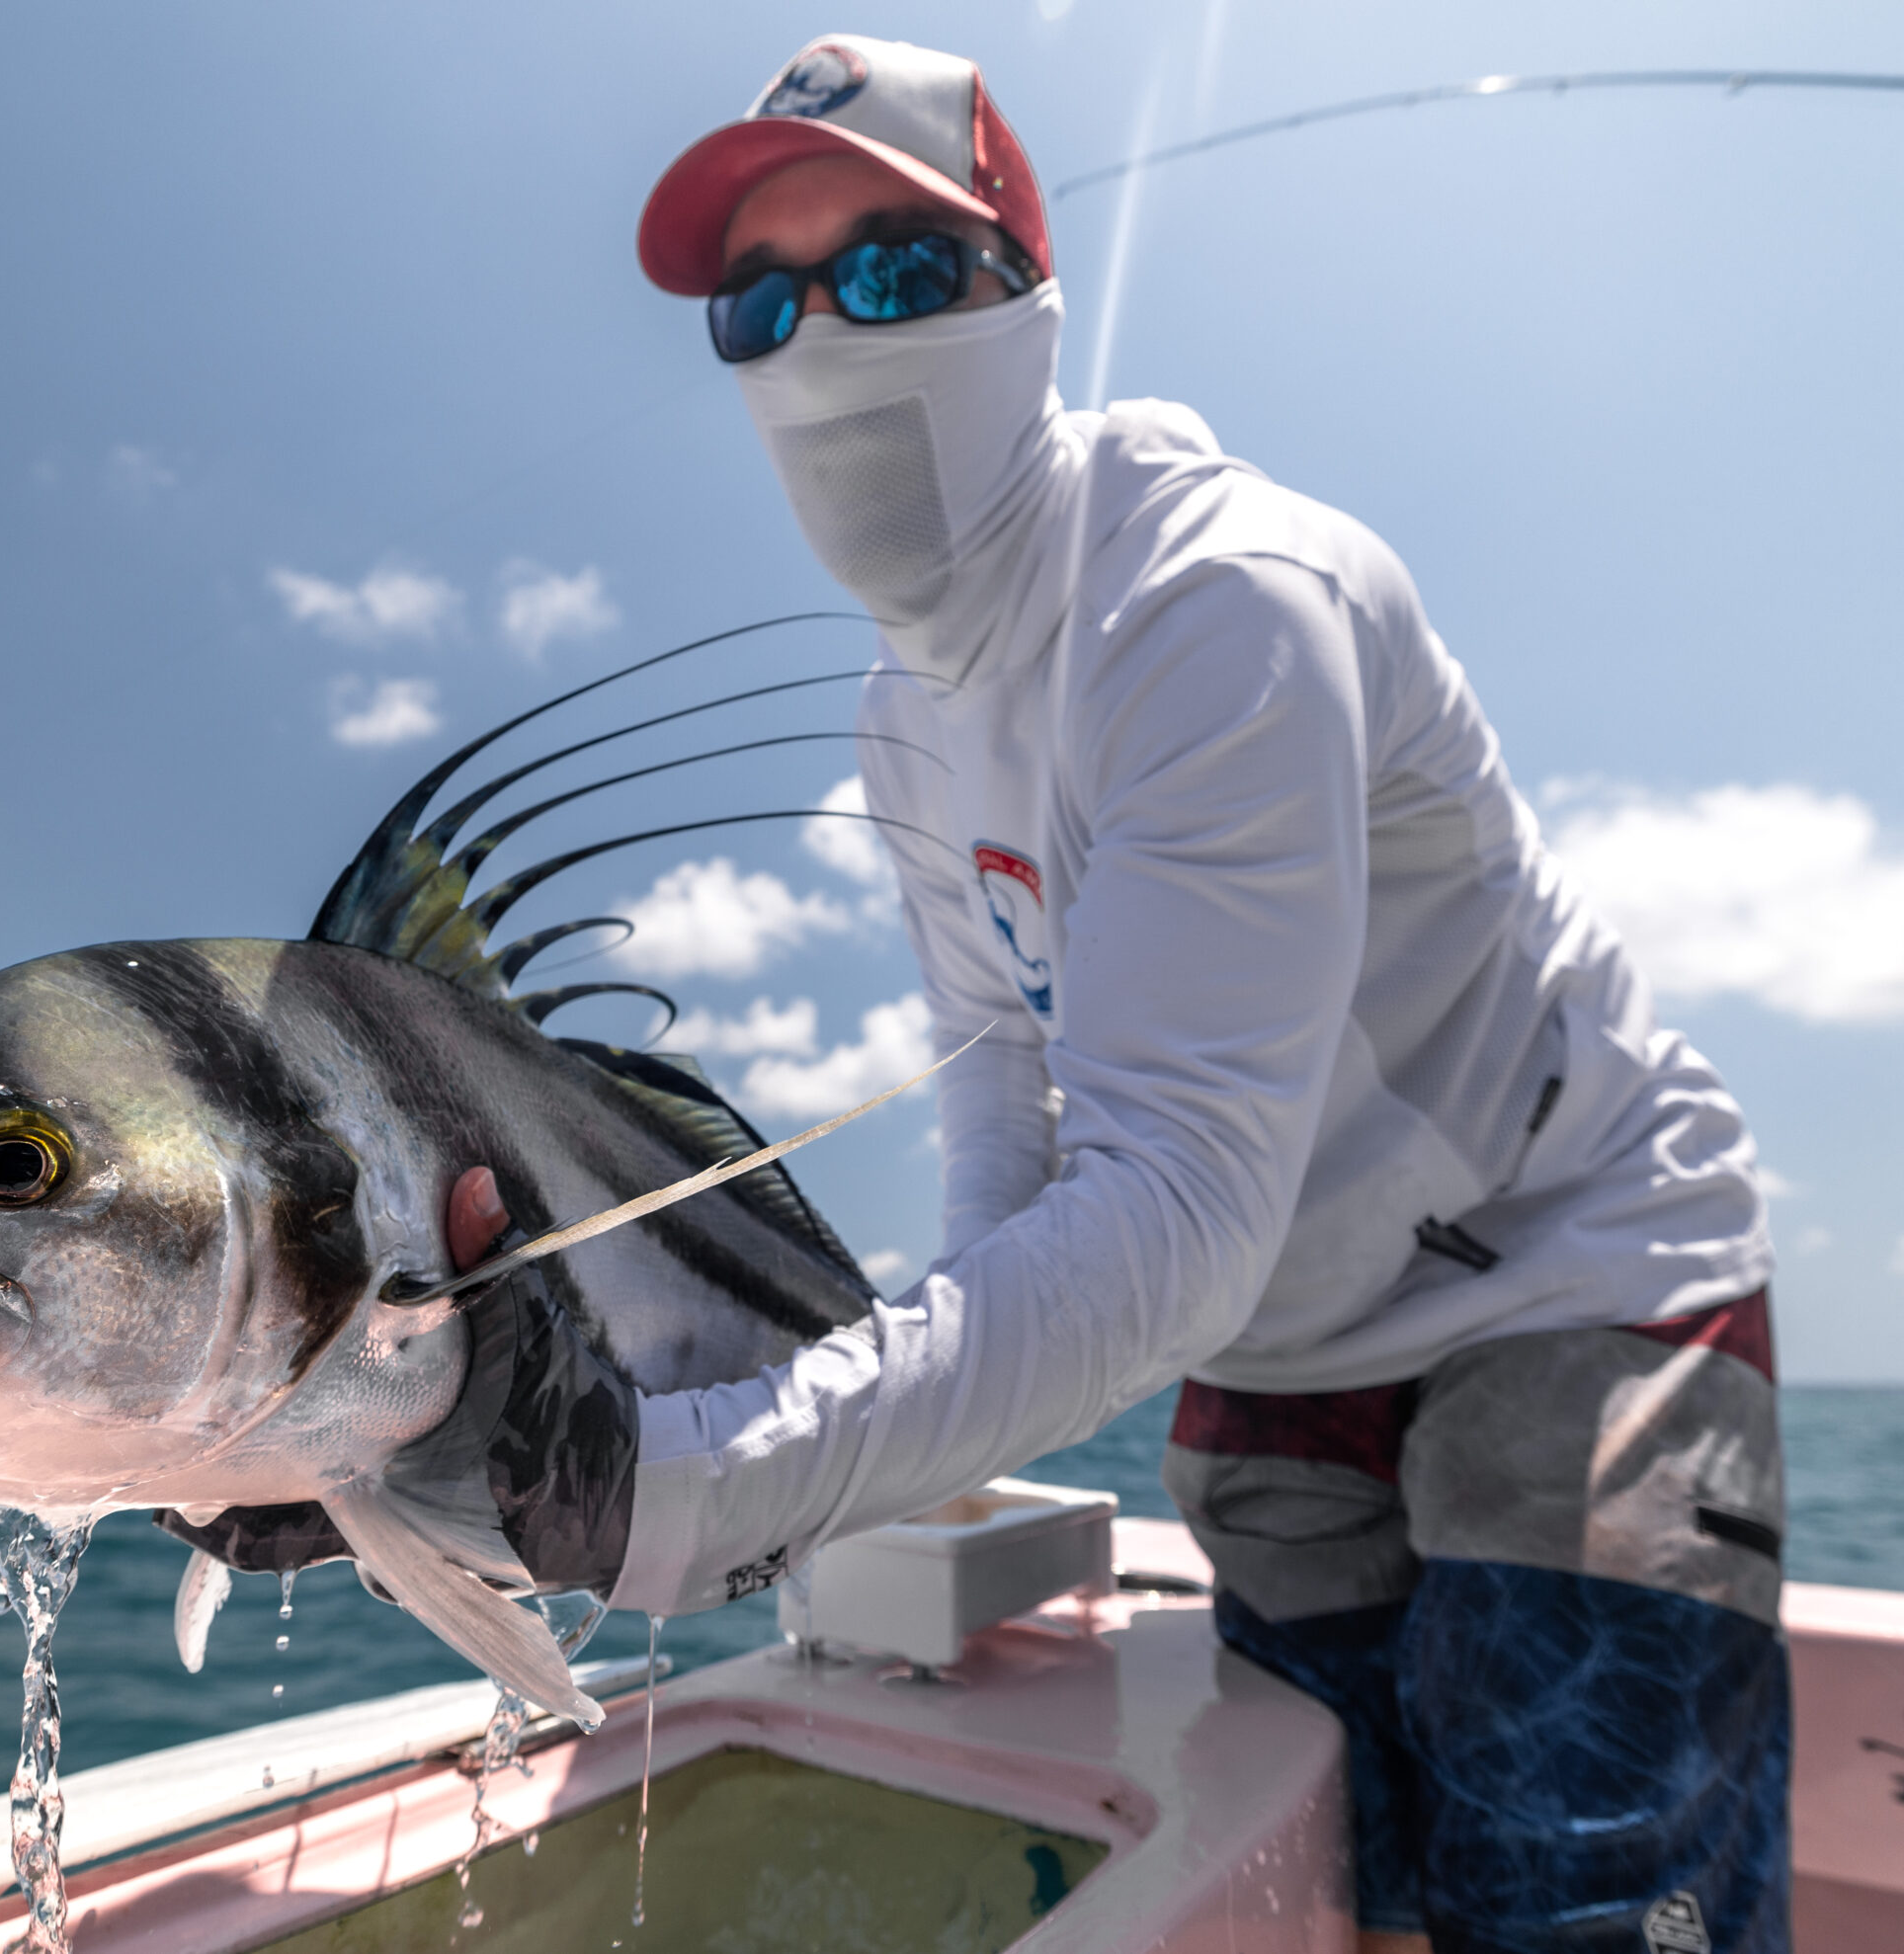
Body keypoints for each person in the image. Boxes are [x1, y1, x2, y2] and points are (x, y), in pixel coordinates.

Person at [172, 35, 1790, 1953]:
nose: (817, 344)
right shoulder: (905, 726)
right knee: (1329, 1849)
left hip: (1576, 1277)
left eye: (888, 273)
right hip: (1276, 1346)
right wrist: (431, 1447)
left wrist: (672, 1489)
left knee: (1574, 1902)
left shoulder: (1216, 602)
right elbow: (1000, 1109)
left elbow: (1171, 1198)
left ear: (1025, 302)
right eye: (755, 304)